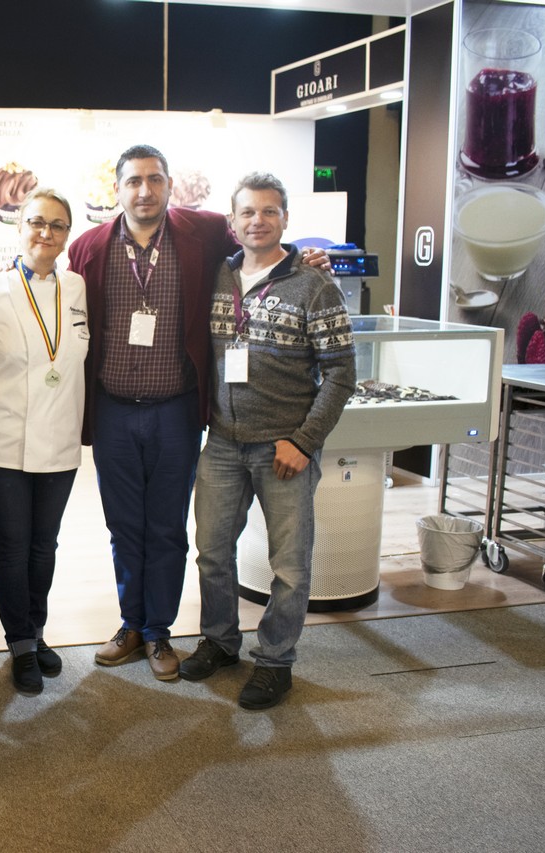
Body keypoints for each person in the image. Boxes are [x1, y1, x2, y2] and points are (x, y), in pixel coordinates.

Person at [68, 144, 331, 682]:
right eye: (134, 181)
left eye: (155, 179)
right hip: (114, 410)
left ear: (169, 185)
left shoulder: (205, 231)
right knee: (124, 526)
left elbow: (262, 244)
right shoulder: (89, 247)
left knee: (168, 528)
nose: (145, 190)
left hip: (177, 411)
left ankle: (158, 631)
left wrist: (303, 257)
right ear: (117, 190)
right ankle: (131, 624)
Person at [179, 172, 355, 709]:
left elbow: (342, 374)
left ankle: (276, 661)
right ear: (232, 223)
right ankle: (220, 641)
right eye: (248, 212)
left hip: (285, 448)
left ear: (285, 219)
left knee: (291, 567)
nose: (258, 221)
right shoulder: (218, 276)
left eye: (269, 211)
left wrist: (303, 441)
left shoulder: (315, 284)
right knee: (212, 553)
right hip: (223, 444)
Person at [0, 188, 88, 694]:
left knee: (44, 547)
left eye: (57, 225)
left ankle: (37, 631)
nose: (46, 233)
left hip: (60, 440)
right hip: (2, 441)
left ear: (68, 234)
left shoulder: (76, 286)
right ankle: (19, 642)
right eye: (37, 222)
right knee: (12, 547)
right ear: (18, 228)